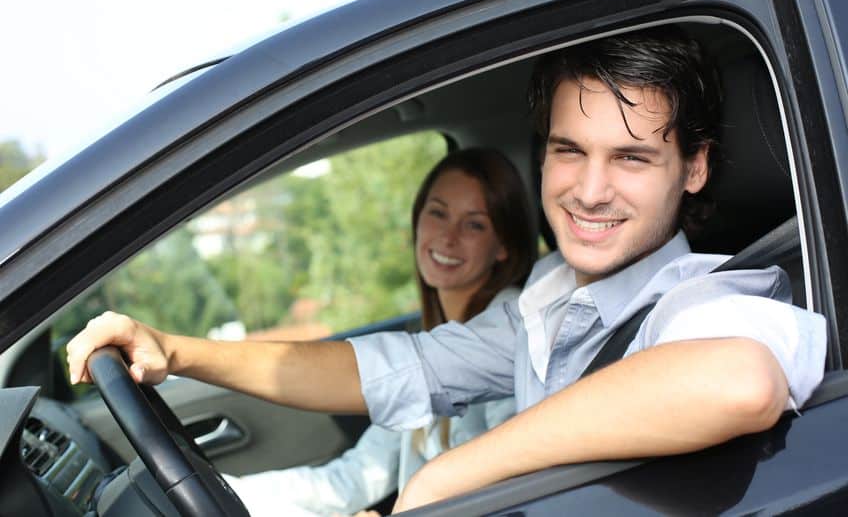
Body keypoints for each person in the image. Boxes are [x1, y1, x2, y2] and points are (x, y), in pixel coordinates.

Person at [67, 26, 827, 513]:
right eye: (569, 150)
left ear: (693, 169)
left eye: (632, 157)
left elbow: (740, 380)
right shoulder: (543, 304)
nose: (591, 190)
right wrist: (177, 348)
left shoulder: (705, 294)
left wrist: (443, 480)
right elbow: (387, 368)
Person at [223, 148, 536, 516]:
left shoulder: (509, 331)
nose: (448, 237)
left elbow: (517, 489)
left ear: (504, 246)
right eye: (437, 213)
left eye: (474, 224)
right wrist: (228, 493)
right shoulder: (435, 346)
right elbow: (355, 478)